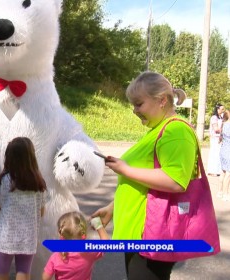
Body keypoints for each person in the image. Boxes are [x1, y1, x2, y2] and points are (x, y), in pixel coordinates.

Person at [91, 71, 197, 280]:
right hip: (140, 232)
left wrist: (126, 169)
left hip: (152, 232)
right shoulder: (157, 130)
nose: (134, 110)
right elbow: (144, 182)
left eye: (139, 104)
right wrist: (112, 208)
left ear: (162, 100)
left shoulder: (175, 131)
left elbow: (176, 181)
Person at [0, 137, 46, 280]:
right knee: (24, 273)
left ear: (9, 157)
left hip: (5, 237)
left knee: (1, 273)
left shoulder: (0, 181)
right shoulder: (38, 183)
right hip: (28, 237)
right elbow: (42, 210)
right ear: (31, 158)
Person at [42, 212, 109, 280]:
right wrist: (98, 225)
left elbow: (45, 278)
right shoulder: (89, 251)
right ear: (84, 234)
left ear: (61, 234)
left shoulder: (56, 257)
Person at [207, 103, 225, 176]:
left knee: (219, 154)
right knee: (214, 154)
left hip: (220, 138)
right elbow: (216, 129)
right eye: (222, 109)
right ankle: (212, 171)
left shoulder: (221, 117)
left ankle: (217, 171)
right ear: (218, 109)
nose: (223, 110)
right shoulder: (214, 117)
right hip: (215, 138)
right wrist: (225, 130)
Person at [218, 110, 230, 201]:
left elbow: (220, 138)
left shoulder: (224, 124)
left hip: (223, 150)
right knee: (228, 174)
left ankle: (220, 191)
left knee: (223, 172)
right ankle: (226, 194)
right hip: (228, 151)